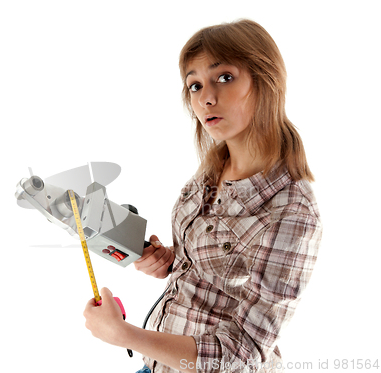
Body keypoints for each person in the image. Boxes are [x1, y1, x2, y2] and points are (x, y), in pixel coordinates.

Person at [83, 19, 322, 373]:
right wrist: (166, 258)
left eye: (224, 77)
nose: (206, 97)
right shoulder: (213, 169)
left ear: (266, 80)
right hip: (157, 365)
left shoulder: (293, 211)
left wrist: (126, 336)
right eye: (194, 85)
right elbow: (210, 270)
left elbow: (244, 349)